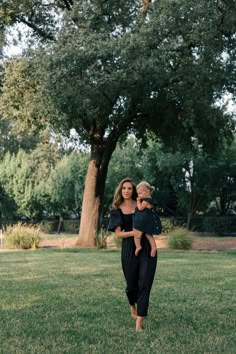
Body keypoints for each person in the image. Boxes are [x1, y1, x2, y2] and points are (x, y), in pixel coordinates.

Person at [108, 178, 157, 332]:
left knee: (144, 283)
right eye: (124, 188)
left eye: (130, 188)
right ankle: (132, 305)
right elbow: (118, 234)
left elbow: (152, 221)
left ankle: (139, 323)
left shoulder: (142, 204)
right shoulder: (117, 209)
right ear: (120, 191)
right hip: (129, 247)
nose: (127, 191)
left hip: (147, 248)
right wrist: (133, 233)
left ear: (134, 190)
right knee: (131, 285)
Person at [133, 181, 162, 257]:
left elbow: (140, 208)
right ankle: (153, 247)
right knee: (148, 235)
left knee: (136, 232)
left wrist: (138, 201)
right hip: (148, 220)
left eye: (140, 193)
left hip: (143, 220)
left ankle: (138, 246)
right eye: (138, 193)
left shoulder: (146, 200)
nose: (138, 195)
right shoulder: (150, 199)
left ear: (147, 191)